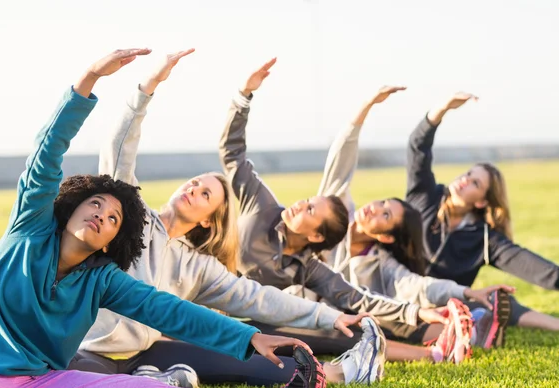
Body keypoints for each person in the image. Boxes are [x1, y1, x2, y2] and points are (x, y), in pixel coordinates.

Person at [0, 48, 314, 388]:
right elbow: (46, 154)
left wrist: (249, 337)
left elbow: (172, 312)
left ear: (113, 242)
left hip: (47, 383)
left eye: (113, 218)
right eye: (95, 203)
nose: (101, 214)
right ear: (71, 209)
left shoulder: (103, 280)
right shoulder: (30, 229)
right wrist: (89, 79)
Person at [68, 49, 385, 388]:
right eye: (194, 182)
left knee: (225, 342)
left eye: (206, 194)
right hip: (89, 349)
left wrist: (332, 316)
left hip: (141, 351)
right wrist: (146, 89)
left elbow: (259, 299)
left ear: (208, 220)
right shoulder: (131, 216)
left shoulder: (197, 267)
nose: (194, 188)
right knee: (77, 372)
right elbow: (119, 151)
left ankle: (344, 373)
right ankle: (152, 383)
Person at [218, 58, 473, 366]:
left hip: (253, 322)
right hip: (203, 298)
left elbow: (358, 298)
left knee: (339, 322)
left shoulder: (311, 267)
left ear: (315, 234)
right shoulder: (262, 206)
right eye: (310, 200)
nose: (300, 203)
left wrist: (415, 310)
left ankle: (438, 349)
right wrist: (243, 95)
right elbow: (233, 152)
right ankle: (437, 343)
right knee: (332, 319)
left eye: (310, 208)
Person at [317, 85, 515, 349]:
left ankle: (469, 331)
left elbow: (419, 286)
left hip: (335, 320)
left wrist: (467, 292)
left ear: (386, 236)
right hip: (293, 303)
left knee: (379, 316)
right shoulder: (336, 218)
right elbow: (340, 162)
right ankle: (460, 332)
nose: (374, 208)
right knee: (372, 319)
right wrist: (367, 105)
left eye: (385, 214)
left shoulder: (379, 261)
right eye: (382, 203)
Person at [405, 91, 559, 332]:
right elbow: (417, 148)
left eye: (475, 183)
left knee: (499, 300)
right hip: (394, 292)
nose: (465, 180)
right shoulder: (425, 197)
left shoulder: (485, 239)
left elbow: (539, 269)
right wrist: (441, 109)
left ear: (481, 202)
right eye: (468, 174)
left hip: (441, 307)